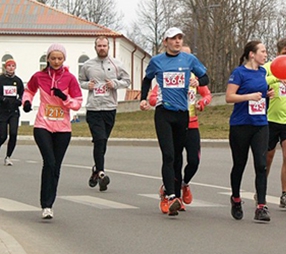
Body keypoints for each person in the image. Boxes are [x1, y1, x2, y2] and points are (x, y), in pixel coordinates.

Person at [139, 27, 209, 216]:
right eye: (173, 39)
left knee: (178, 157)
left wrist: (198, 82)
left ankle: (173, 193)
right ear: (165, 42)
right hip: (164, 113)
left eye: (180, 38)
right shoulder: (157, 61)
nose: (177, 41)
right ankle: (170, 197)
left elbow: (205, 77)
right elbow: (147, 80)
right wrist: (143, 99)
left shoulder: (189, 60)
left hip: (182, 114)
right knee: (168, 155)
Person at [22, 44, 83, 219]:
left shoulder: (70, 78)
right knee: (49, 161)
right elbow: (29, 90)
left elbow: (78, 102)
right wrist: (26, 102)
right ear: (48, 58)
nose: (56, 61)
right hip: (43, 125)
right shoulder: (39, 76)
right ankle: (45, 204)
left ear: (64, 59)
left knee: (55, 166)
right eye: (53, 58)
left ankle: (49, 204)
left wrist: (64, 98)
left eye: (60, 58)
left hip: (63, 128)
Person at [225, 40, 273, 222]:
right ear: (252, 54)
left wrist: (266, 96)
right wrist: (249, 97)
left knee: (261, 165)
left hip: (260, 123)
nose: (265, 54)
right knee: (240, 164)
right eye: (263, 51)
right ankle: (236, 199)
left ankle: (261, 206)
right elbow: (229, 97)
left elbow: (260, 95)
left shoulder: (263, 72)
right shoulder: (239, 73)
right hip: (241, 124)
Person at [79, 36, 131, 191]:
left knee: (103, 142)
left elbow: (127, 81)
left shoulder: (116, 64)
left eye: (104, 45)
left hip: (109, 108)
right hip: (93, 108)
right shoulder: (88, 65)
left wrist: (115, 84)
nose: (102, 48)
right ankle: (102, 173)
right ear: (95, 47)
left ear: (108, 47)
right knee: (99, 139)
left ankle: (96, 170)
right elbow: (81, 80)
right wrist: (88, 85)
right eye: (99, 45)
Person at [264, 38, 286, 208]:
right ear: (278, 53)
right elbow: (258, 82)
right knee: (267, 157)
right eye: (285, 53)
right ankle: (261, 190)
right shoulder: (268, 67)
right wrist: (276, 79)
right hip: (270, 119)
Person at [0, 59, 24, 166]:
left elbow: (23, 94)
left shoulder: (18, 81)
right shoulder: (1, 79)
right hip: (2, 111)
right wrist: (2, 99)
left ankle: (8, 157)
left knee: (13, 134)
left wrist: (20, 101)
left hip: (14, 111)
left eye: (13, 66)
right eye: (9, 66)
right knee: (2, 136)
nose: (11, 68)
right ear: (5, 67)